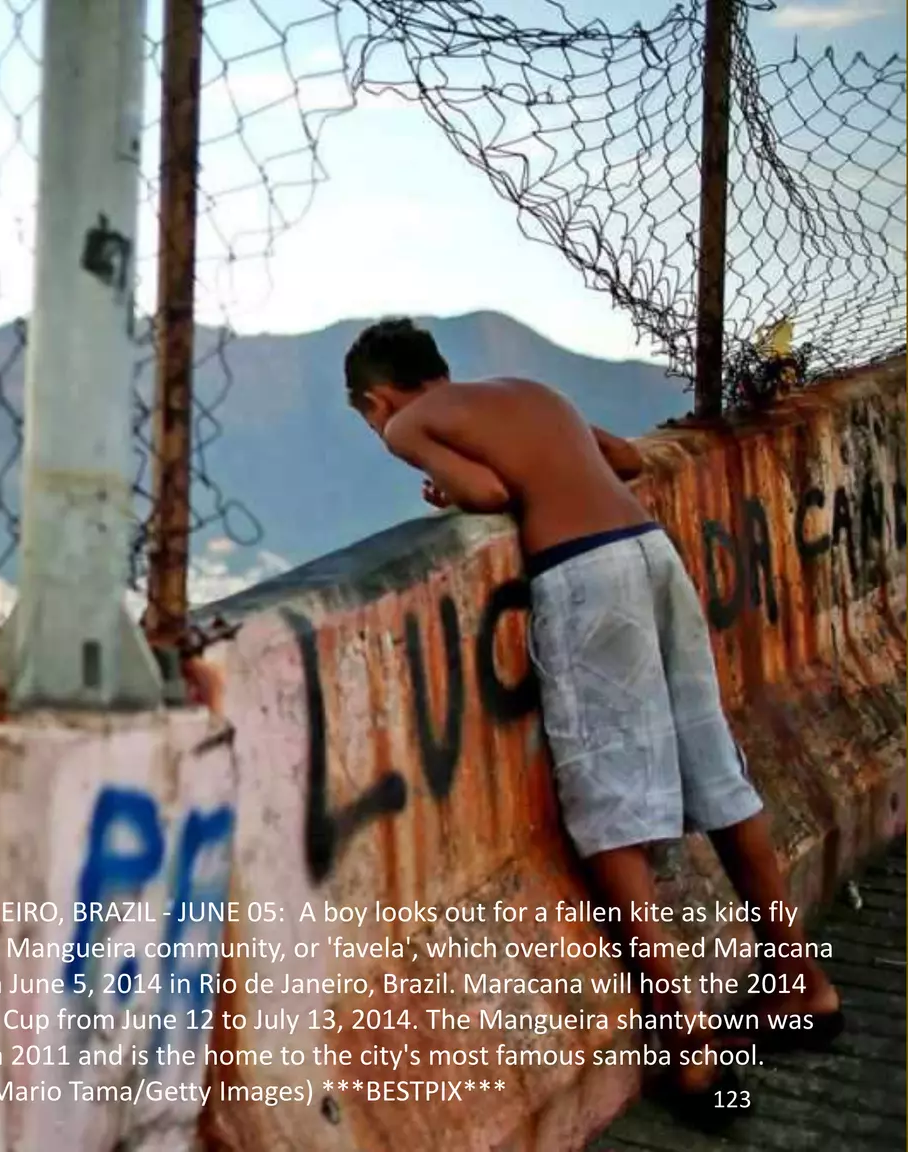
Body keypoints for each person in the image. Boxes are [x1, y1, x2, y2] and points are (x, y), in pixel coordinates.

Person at [325, 318, 841, 1126]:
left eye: (370, 416)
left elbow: (492, 495)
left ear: (375, 398)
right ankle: (805, 985)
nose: (380, 428)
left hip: (583, 577)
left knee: (609, 816)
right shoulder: (528, 392)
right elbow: (631, 460)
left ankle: (690, 1048)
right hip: (649, 552)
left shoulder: (408, 423)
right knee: (716, 773)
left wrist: (446, 485)